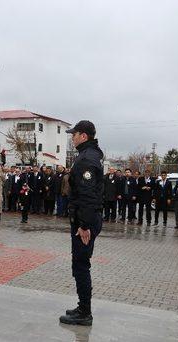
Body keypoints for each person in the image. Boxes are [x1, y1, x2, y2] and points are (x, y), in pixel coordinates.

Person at [59, 120, 103, 326]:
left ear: (83, 136)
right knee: (80, 263)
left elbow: (87, 195)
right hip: (83, 219)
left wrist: (84, 225)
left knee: (81, 265)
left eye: (74, 134)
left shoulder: (87, 160)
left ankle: (85, 312)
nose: (72, 137)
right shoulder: (88, 156)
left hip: (85, 222)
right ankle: (82, 306)